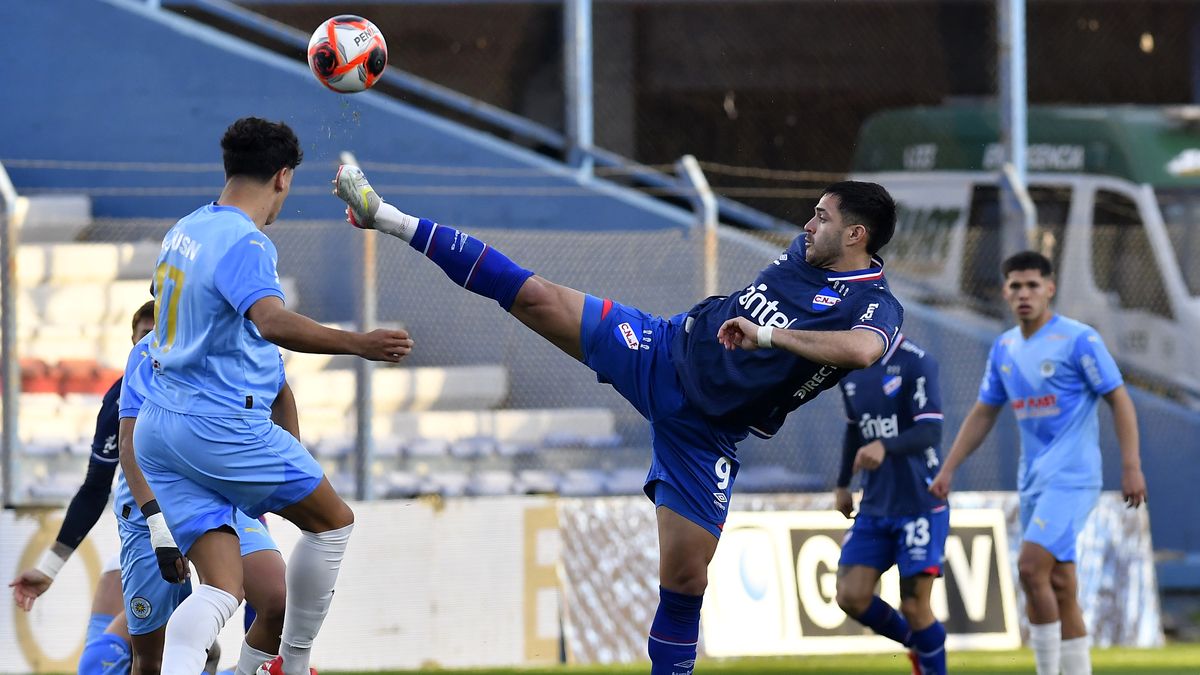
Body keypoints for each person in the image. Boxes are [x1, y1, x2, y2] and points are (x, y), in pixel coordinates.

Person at [333, 166, 903, 675]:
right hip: (660, 348)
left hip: (704, 435)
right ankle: (387, 217)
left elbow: (861, 351)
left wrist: (768, 336)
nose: (808, 225)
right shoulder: (804, 253)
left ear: (856, 235)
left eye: (822, 217)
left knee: (686, 580)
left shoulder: (876, 306)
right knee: (534, 296)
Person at [133, 118, 413, 675]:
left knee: (221, 588)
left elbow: (168, 297)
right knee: (333, 522)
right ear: (283, 177)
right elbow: (272, 321)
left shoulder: (185, 229)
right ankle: (293, 663)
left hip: (160, 425)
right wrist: (360, 343)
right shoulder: (247, 242)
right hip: (217, 425)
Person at [929, 251, 1148, 675]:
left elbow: (1119, 398)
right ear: (1005, 292)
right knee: (1060, 583)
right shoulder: (1005, 347)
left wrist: (1131, 465)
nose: (1024, 293)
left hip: (1073, 478)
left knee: (1030, 568)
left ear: (1050, 288)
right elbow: (984, 411)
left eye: (1033, 285)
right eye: (1016, 286)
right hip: (1032, 479)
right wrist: (949, 468)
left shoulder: (1078, 340)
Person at [7, 302, 176, 674]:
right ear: (132, 342)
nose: (151, 341)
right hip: (149, 537)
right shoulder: (119, 400)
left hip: (213, 527)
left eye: (160, 332)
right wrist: (49, 568)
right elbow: (96, 487)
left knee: (268, 602)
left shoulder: (206, 381)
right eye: (144, 335)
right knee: (101, 664)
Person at [116, 331, 291, 675]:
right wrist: (158, 526)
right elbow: (128, 445)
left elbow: (282, 393)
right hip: (152, 505)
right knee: (151, 658)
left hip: (220, 495)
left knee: (278, 599)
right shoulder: (150, 350)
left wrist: (288, 474)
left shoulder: (247, 339)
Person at [833, 334, 947, 675]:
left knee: (914, 606)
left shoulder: (916, 361)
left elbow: (931, 431)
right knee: (850, 596)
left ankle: (930, 660)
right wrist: (843, 484)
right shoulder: (849, 368)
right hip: (874, 505)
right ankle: (919, 644)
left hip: (920, 503)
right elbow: (854, 430)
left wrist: (885, 445)